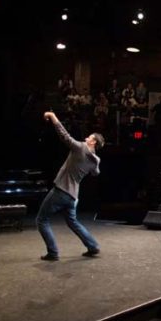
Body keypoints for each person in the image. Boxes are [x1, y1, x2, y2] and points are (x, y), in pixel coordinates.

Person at [37, 111, 105, 261]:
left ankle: (53, 252)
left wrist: (53, 116)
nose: (86, 138)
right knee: (73, 222)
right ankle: (92, 246)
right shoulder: (95, 160)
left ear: (93, 142)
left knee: (42, 220)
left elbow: (64, 135)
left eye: (90, 137)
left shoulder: (80, 148)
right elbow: (96, 173)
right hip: (73, 196)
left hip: (61, 190)